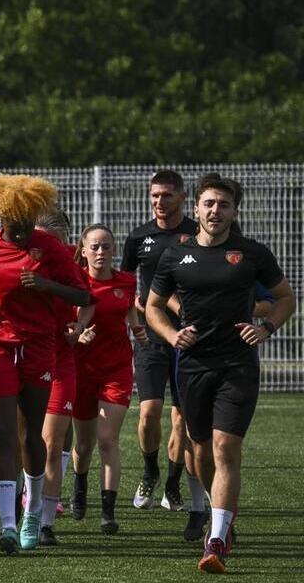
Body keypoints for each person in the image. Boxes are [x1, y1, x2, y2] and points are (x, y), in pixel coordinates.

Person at [145, 176, 295, 574]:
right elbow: (152, 306)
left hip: (237, 366)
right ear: (196, 209)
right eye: (209, 204)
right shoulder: (175, 256)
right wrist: (172, 334)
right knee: (199, 454)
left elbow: (285, 297)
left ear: (234, 211)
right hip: (193, 366)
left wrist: (266, 329)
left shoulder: (251, 254)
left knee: (226, 448)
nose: (215, 211)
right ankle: (221, 515)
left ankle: (216, 540)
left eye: (224, 205)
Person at [0, 175, 91, 554]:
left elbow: (82, 292)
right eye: (11, 221)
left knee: (34, 436)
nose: (17, 230)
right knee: (2, 434)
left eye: (24, 221)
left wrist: (46, 285)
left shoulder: (48, 246)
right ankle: (6, 525)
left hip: (38, 346)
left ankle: (33, 511)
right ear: (1, 215)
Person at [121, 170, 197, 516]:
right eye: (154, 195)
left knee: (182, 418)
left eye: (166, 195)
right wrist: (136, 315)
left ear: (183, 197)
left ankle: (172, 484)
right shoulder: (139, 237)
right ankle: (150, 471)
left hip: (191, 338)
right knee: (149, 411)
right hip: (152, 337)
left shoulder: (197, 233)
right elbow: (123, 287)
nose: (159, 202)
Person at [70, 224, 144, 535]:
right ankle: (80, 483)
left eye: (107, 247)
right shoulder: (73, 284)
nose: (101, 252)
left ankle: (108, 511)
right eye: (95, 247)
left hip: (116, 370)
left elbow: (130, 314)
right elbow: (67, 328)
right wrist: (78, 335)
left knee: (107, 439)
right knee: (84, 444)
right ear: (83, 251)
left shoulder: (126, 281)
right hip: (80, 370)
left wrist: (139, 330)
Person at [30, 207, 94, 546]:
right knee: (23, 441)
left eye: (52, 242)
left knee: (52, 443)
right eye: (40, 241)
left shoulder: (70, 264)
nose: (45, 248)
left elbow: (88, 300)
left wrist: (78, 326)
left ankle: (44, 521)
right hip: (23, 358)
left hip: (60, 360)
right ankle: (23, 509)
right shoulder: (17, 260)